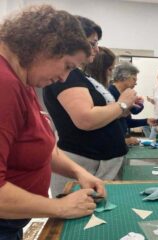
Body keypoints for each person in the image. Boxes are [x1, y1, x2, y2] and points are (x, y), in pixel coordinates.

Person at [0, 5, 106, 239]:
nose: (64, 77)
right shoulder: (4, 84)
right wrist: (61, 207)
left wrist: (78, 172)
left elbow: (35, 145)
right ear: (44, 47)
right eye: (68, 66)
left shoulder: (21, 80)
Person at [43, 17, 138, 196]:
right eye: (92, 43)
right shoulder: (68, 75)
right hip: (86, 162)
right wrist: (122, 103)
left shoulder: (80, 76)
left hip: (96, 163)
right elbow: (86, 119)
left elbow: (102, 115)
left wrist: (122, 107)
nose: (96, 49)